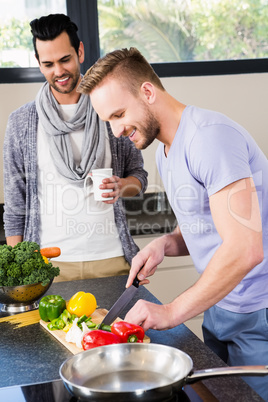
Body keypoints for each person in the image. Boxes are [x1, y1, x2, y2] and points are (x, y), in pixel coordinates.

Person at [77, 47, 268, 400]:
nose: (116, 130)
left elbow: (245, 248)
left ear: (147, 92)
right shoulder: (166, 151)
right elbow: (209, 228)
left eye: (119, 114)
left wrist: (170, 311)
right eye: (109, 121)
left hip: (259, 312)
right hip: (220, 305)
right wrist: (164, 244)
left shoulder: (209, 137)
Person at [3, 17, 148, 282]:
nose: (58, 71)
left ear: (80, 52)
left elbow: (139, 177)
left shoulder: (109, 110)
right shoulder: (22, 122)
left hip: (112, 259)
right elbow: (15, 205)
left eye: (65, 60)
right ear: (38, 63)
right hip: (48, 266)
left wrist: (121, 186)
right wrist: (19, 271)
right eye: (48, 64)